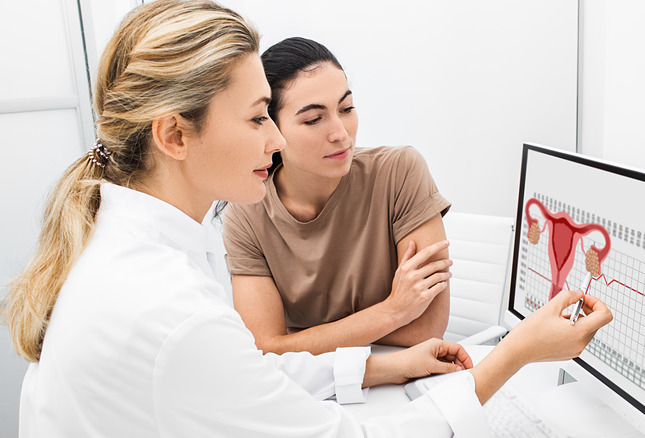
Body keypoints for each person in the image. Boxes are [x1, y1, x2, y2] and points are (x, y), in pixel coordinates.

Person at [1, 1, 612, 436]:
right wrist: (520, 351)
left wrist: (386, 363)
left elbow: (251, 368)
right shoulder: (170, 311)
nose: (275, 139)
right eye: (258, 117)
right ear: (174, 135)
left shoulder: (129, 247)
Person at [222, 37, 453, 355]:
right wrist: (393, 311)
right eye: (314, 119)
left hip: (404, 374)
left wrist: (299, 338)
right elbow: (265, 349)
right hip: (315, 389)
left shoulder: (399, 172)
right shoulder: (247, 212)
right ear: (272, 129)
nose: (341, 134)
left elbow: (426, 330)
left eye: (346, 108)